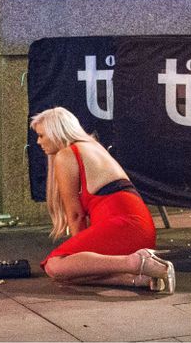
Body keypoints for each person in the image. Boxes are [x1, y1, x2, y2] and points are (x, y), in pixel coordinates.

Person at [30, 107, 175, 293]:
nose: (38, 141)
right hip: (137, 226)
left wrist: (78, 255)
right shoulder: (92, 146)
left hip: (124, 226)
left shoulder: (66, 154)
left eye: (42, 135)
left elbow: (75, 215)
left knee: (55, 266)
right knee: (76, 273)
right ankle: (139, 278)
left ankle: (138, 262)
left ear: (56, 132)